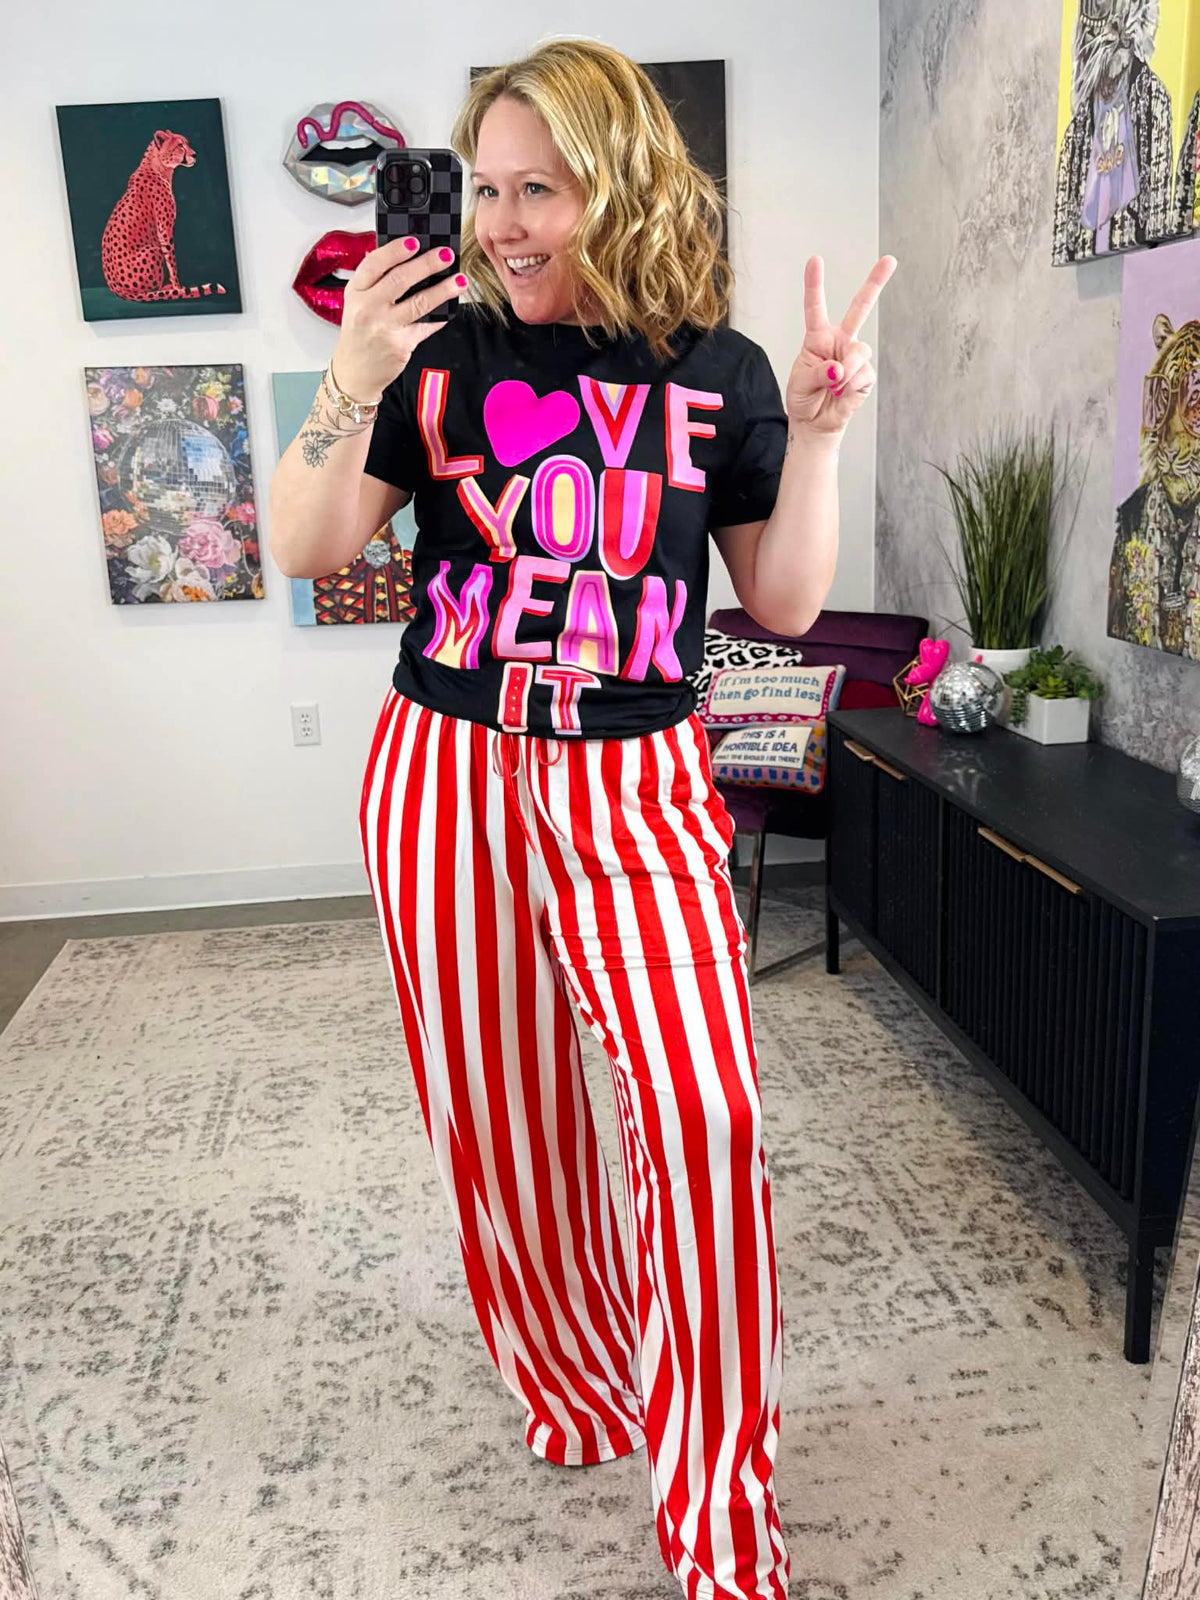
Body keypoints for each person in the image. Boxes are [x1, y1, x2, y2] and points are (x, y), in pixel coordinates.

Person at [269, 36, 894, 1600]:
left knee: (705, 1117)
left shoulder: (716, 371)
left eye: (537, 189)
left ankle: (720, 1524)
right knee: (508, 1122)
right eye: (486, 190)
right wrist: (352, 373)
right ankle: (574, 1377)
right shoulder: (435, 354)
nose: (502, 224)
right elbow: (307, 542)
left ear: (619, 186)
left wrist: (819, 436)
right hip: (448, 768)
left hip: (640, 779)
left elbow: (784, 599)